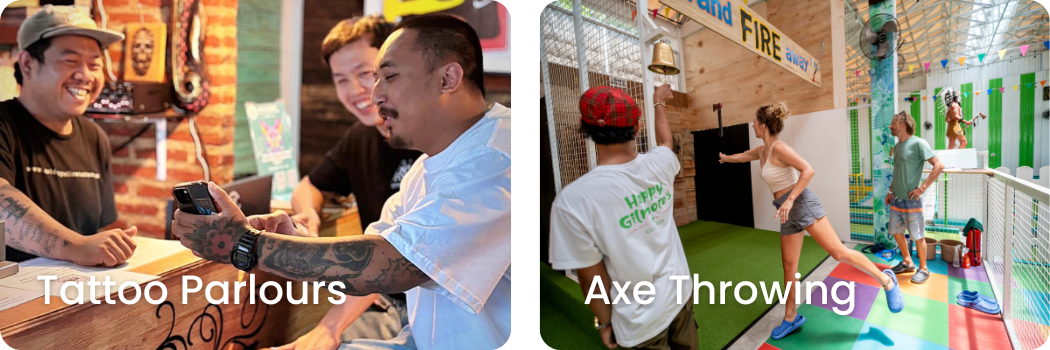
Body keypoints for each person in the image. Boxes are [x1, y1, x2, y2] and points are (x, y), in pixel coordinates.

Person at [173, 14, 510, 350]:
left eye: (387, 76)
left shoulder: (497, 155)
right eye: (373, 78)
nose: (374, 94)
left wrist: (244, 244)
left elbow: (393, 265)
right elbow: (380, 248)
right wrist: (295, 237)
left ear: (447, 78)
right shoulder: (426, 166)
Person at [279, 15, 420, 349]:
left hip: (435, 305)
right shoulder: (360, 137)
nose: (355, 90)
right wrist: (308, 213)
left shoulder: (434, 139)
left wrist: (330, 327)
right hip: (385, 303)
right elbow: (309, 186)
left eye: (364, 73)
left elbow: (402, 255)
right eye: (341, 79)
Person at [718, 102, 904, 340]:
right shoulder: (762, 151)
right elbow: (744, 156)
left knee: (838, 252)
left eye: (754, 122)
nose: (752, 125)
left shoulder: (779, 148)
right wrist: (726, 157)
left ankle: (886, 280)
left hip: (801, 204)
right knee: (788, 266)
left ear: (762, 126)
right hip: (786, 212)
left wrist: (789, 199)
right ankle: (790, 317)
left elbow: (808, 170)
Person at [549, 84, 699, 350]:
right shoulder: (660, 163)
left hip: (639, 323)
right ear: (637, 127)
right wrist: (658, 102)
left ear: (587, 129)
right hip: (680, 297)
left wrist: (605, 324)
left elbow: (589, 279)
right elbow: (666, 143)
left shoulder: (572, 201)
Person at [0, 5, 139, 267]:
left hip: (77, 295)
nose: (85, 75)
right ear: (28, 64)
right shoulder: (4, 125)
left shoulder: (94, 137)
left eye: (95, 64)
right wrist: (75, 246)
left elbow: (98, 230)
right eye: (70, 60)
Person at [887, 111, 945, 284]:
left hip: (911, 200)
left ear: (903, 123)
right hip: (896, 199)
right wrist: (890, 192)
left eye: (893, 123)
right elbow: (897, 172)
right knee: (897, 233)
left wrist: (922, 188)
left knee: (918, 235)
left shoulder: (919, 143)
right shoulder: (897, 147)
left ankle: (924, 269)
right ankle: (907, 262)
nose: (890, 126)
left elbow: (939, 165)